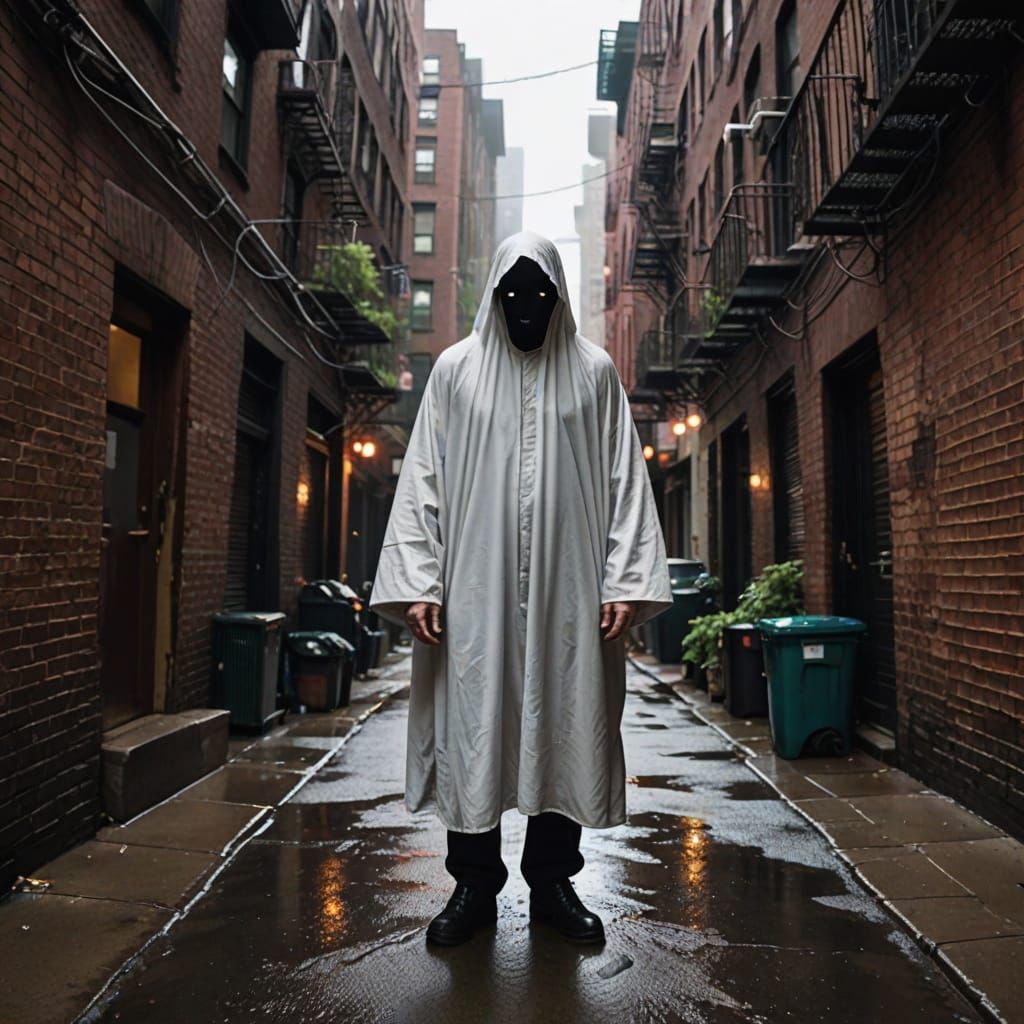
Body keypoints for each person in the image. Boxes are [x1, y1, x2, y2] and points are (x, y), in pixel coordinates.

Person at [370, 231, 671, 947]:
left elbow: (625, 481)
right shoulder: (456, 372)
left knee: (566, 724)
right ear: (496, 298)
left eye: (540, 295)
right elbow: (424, 483)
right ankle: (473, 885)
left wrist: (625, 579)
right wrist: (420, 580)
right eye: (514, 295)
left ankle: (553, 885)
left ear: (559, 296)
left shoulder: (594, 372)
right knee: (476, 726)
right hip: (475, 595)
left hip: (572, 595)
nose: (527, 307)